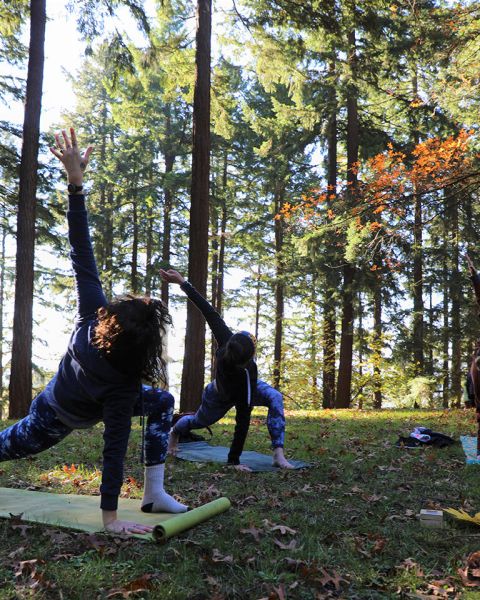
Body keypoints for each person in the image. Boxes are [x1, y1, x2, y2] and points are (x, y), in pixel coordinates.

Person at [0, 128, 186, 536]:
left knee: (161, 402)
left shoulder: (93, 318)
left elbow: (80, 247)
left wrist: (75, 184)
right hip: (53, 414)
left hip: (68, 401)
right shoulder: (120, 380)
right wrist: (111, 521)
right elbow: (113, 452)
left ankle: (154, 493)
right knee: (7, 447)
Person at [160, 268, 293, 471]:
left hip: (248, 387)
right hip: (218, 394)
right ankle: (174, 433)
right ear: (248, 359)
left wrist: (183, 283)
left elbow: (208, 312)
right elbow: (242, 422)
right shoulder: (244, 373)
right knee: (198, 420)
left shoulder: (227, 341)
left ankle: (278, 454)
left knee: (275, 397)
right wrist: (233, 462)